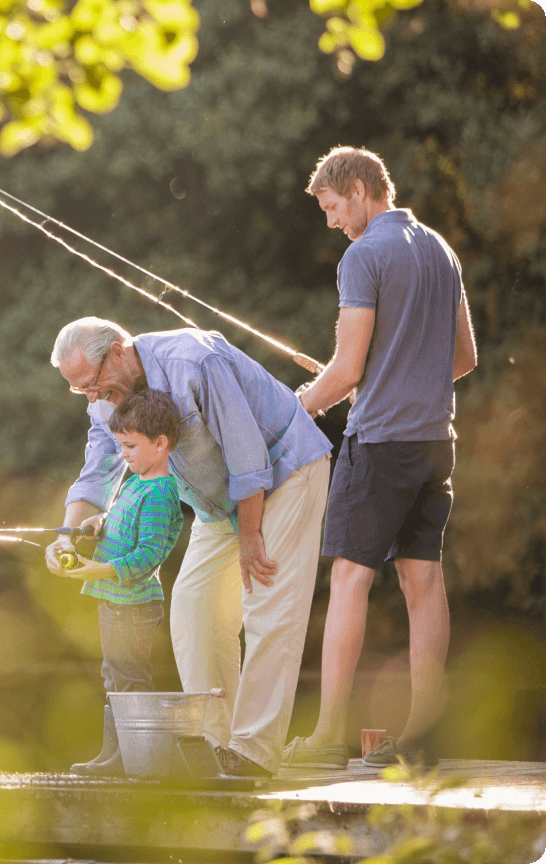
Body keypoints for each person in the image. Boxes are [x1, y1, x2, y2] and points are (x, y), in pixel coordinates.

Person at [46, 317, 332, 777]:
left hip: (284, 470)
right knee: (194, 605)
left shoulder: (194, 362)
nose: (93, 397)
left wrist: (251, 536)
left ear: (119, 350)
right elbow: (99, 463)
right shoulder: (105, 399)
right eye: (82, 392)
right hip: (216, 499)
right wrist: (66, 535)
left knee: (267, 603)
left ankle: (254, 751)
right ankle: (217, 744)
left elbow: (247, 454)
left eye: (94, 384)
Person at [283, 146, 478, 770]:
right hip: (435, 443)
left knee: (349, 578)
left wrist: (299, 407)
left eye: (335, 207)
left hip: (380, 445)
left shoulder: (364, 255)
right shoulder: (441, 250)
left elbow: (344, 370)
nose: (333, 221)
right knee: (424, 581)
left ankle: (327, 737)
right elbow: (464, 358)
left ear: (363, 189)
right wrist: (393, 377)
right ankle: (422, 736)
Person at [64, 389, 184, 776]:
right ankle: (113, 756)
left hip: (134, 606)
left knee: (131, 678)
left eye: (131, 446)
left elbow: (149, 555)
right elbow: (118, 519)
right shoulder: (135, 482)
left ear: (161, 443)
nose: (125, 454)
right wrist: (97, 523)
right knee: (114, 675)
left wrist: (102, 570)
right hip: (114, 602)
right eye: (120, 445)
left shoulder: (161, 492)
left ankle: (137, 760)